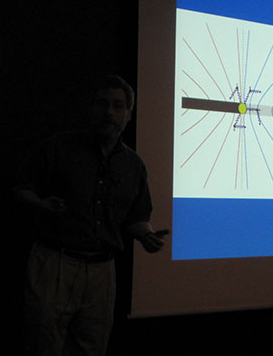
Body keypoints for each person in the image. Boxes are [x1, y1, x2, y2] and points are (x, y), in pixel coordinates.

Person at [15, 74, 167, 356]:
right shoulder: (59, 147)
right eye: (103, 104)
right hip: (55, 263)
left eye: (117, 106)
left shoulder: (134, 165)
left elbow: (136, 217)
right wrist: (40, 204)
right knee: (43, 344)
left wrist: (146, 236)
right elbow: (21, 189)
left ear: (128, 114)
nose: (109, 112)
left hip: (102, 271)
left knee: (91, 348)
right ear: (91, 108)